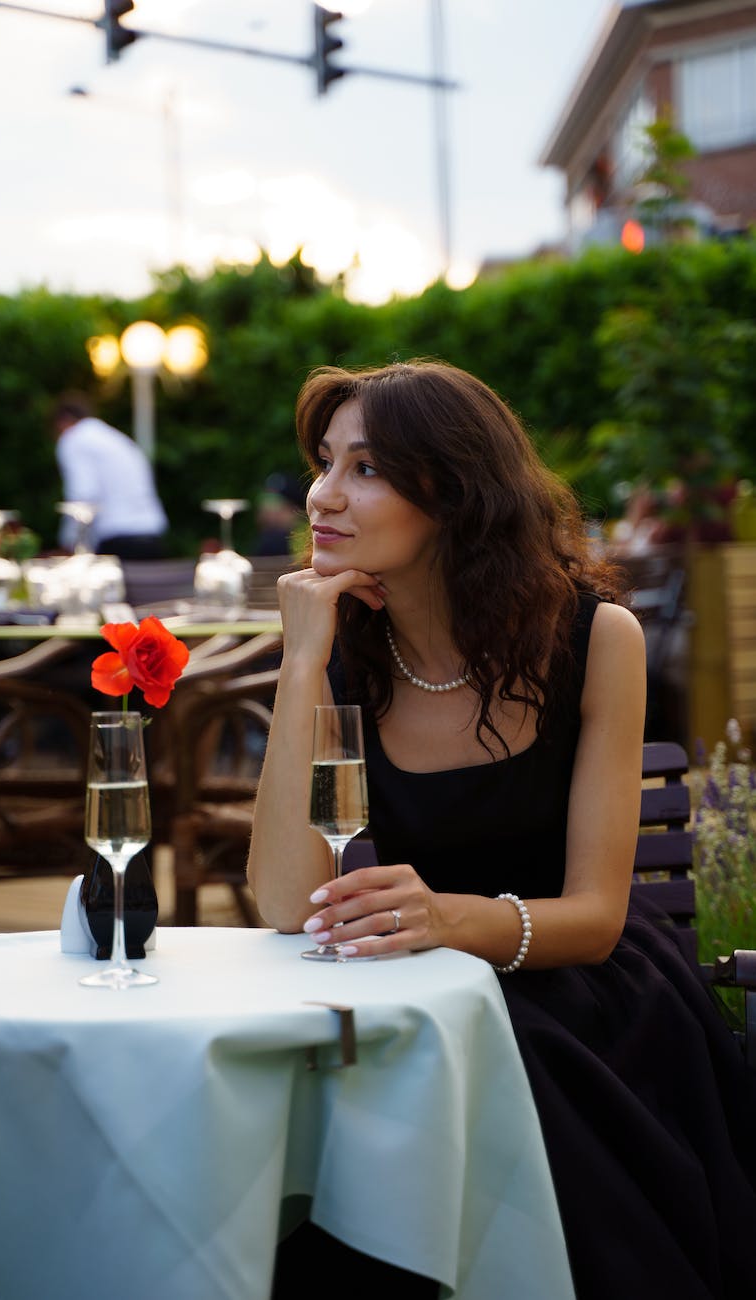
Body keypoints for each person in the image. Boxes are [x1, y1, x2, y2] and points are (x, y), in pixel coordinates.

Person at [247, 359, 756, 1299]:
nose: (323, 494)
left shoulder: (593, 638)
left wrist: (445, 919)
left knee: (484, 1068)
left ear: (453, 491)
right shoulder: (345, 649)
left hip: (579, 1002)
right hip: (421, 993)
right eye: (324, 462)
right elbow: (283, 901)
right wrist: (302, 659)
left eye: (365, 468)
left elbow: (595, 917)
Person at [49, 392, 169, 558]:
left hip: (117, 538)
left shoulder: (74, 438)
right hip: (151, 534)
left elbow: (83, 496)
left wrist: (69, 543)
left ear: (62, 421)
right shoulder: (114, 438)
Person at [251, 471, 306, 556]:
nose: (267, 510)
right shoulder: (266, 538)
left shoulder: (305, 540)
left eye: (275, 505)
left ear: (295, 510)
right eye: (265, 501)